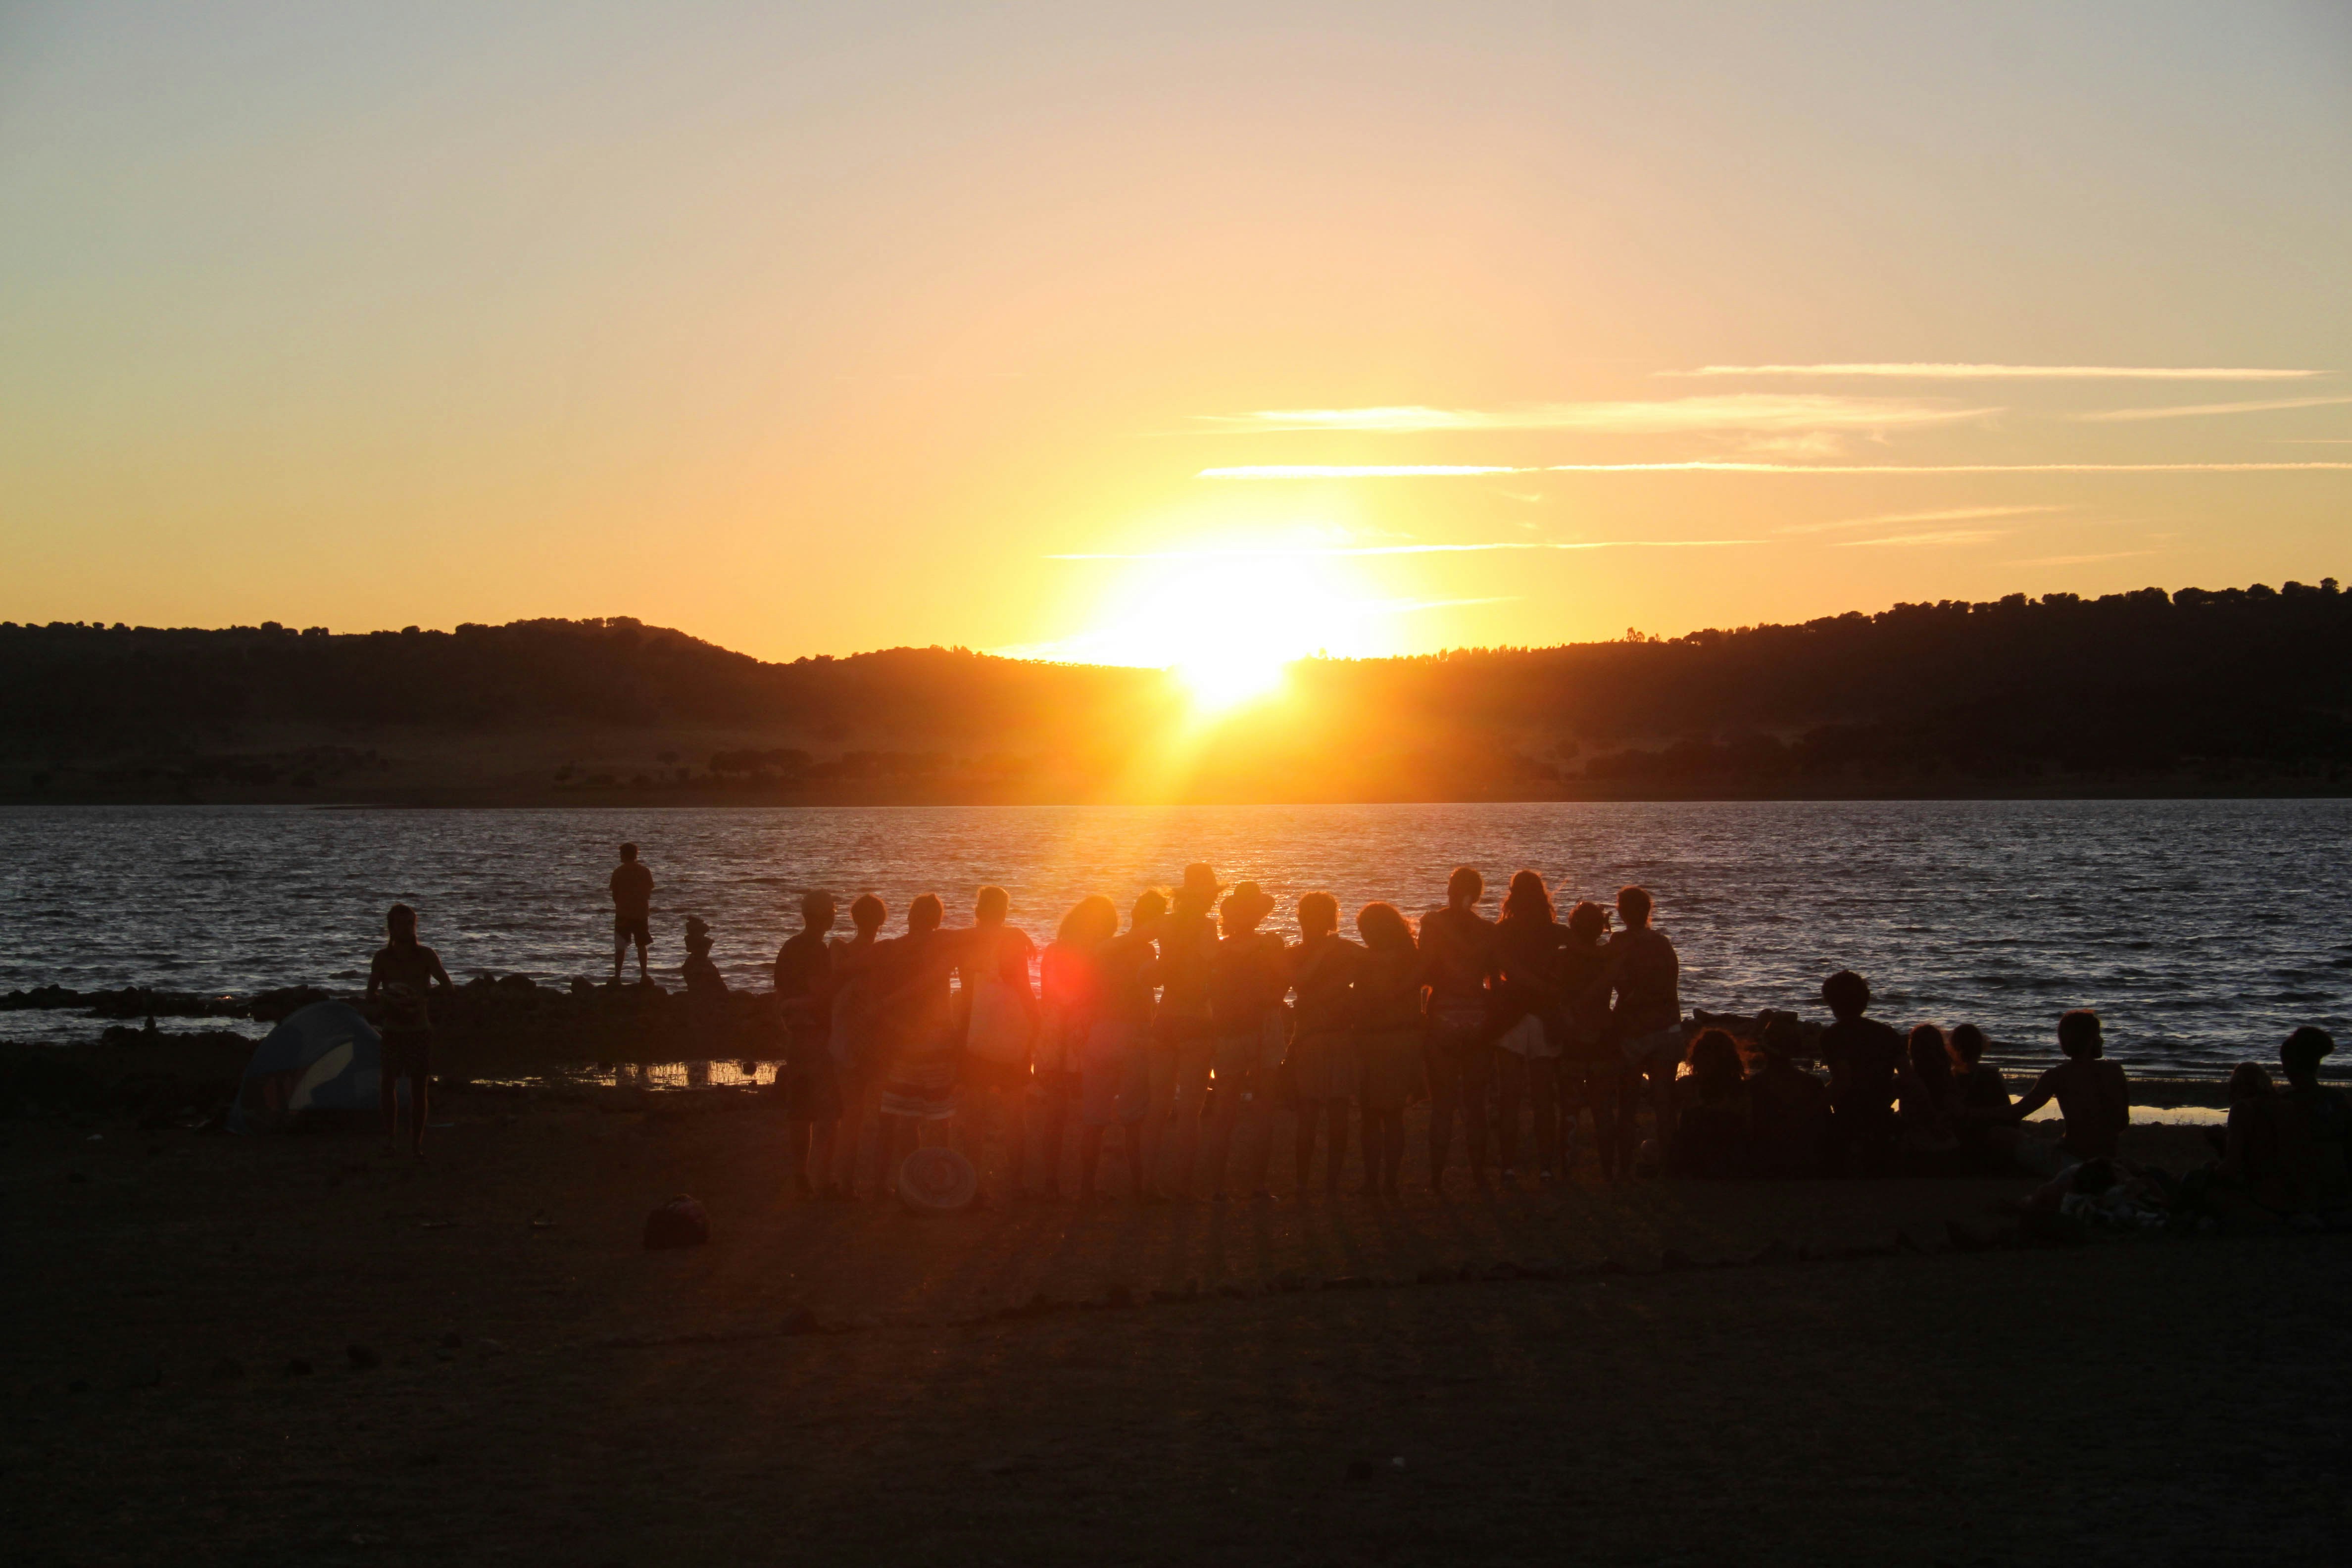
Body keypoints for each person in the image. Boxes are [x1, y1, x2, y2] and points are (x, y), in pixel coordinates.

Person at [1201, 882, 1288, 1201]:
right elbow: (1282, 985)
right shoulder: (1271, 944)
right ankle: (1256, 1184)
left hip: (1229, 1031)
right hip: (1262, 1028)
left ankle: (1219, 1185)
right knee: (1263, 1109)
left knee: (1226, 1109)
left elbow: (1211, 992)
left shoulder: (1219, 950)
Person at [953, 886, 1038, 1201]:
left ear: (978, 910)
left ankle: (972, 1185)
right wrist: (1037, 1025)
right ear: (1004, 911)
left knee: (973, 1115)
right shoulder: (1014, 940)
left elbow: (965, 991)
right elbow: (1024, 990)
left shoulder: (966, 941)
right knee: (1015, 1114)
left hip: (974, 1032)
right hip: (1010, 1032)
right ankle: (1015, 1184)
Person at [1078, 891, 1163, 1200]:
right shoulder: (1146, 952)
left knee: (1094, 1117)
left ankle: (1087, 1187)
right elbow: (1146, 995)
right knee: (1133, 1119)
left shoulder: (1107, 948)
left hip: (1101, 1030)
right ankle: (1140, 1186)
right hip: (1133, 1033)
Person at [874, 894, 960, 1193]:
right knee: (939, 1114)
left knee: (907, 1114)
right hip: (936, 1038)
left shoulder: (895, 948)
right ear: (937, 921)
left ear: (910, 916)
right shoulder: (943, 945)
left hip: (903, 1037)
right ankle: (937, 1176)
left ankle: (910, 1178)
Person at [1149, 864, 1224, 1200]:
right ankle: (1182, 1184)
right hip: (1196, 1018)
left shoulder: (1165, 924)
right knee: (1190, 1109)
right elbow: (1213, 967)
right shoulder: (1207, 928)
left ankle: (1147, 1180)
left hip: (1165, 1016)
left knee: (1159, 1104)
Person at [1419, 866, 1496, 1192]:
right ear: (1477, 895)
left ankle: (1436, 1179)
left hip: (1444, 1013)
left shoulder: (1433, 925)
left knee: (1443, 1103)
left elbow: (1423, 970)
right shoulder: (1487, 930)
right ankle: (1479, 1175)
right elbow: (1493, 978)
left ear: (1451, 889)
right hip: (1477, 1012)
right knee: (1476, 1103)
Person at [1033, 896, 1115, 1199]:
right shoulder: (1098, 954)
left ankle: (1052, 1182)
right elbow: (1101, 996)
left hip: (1054, 1038)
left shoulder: (1055, 952)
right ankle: (1086, 1185)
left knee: (1056, 1115)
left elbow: (1049, 992)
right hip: (1082, 1039)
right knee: (1090, 1115)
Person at [1489, 870, 1566, 1183]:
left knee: (1509, 1097)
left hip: (1512, 1016)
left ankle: (1508, 1166)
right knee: (1544, 1098)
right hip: (1545, 1015)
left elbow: (1495, 975)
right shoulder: (1555, 932)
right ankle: (1546, 1166)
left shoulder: (1503, 931)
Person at [1285, 892, 1359, 1199]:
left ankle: (1304, 1183)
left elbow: (1298, 986)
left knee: (1310, 1113)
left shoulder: (1294, 954)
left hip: (1312, 1037)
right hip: (1338, 1036)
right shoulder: (1347, 950)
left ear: (1301, 917)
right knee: (1335, 1111)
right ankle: (1330, 1182)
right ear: (1332, 920)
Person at [366, 902, 453, 1156]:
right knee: (387, 1085)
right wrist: (388, 999)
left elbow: (448, 986)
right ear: (391, 928)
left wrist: (423, 993)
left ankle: (416, 1145)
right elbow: (370, 995)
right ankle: (391, 1139)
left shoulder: (426, 955)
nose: (407, 928)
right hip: (393, 1029)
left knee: (419, 1087)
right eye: (401, 924)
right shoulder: (382, 958)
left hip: (419, 1029)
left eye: (410, 923)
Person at [1607, 885, 1682, 1176]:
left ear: (1622, 911)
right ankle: (1668, 1163)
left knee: (1628, 1103)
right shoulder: (1662, 943)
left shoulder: (1619, 941)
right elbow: (1671, 986)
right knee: (1664, 1103)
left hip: (1634, 1030)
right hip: (1666, 1027)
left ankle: (1624, 1165)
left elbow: (1620, 987)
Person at [1351, 901, 1424, 1198]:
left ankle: (1373, 1181)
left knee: (1372, 1115)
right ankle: (1389, 1181)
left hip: (1374, 1039)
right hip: (1401, 1040)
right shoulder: (1411, 957)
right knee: (1393, 1115)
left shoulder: (1366, 960)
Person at [822, 893, 890, 1199]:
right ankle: (876, 1184)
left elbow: (838, 978)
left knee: (853, 1113)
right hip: (873, 1041)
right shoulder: (881, 954)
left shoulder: (842, 949)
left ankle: (848, 1183)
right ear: (881, 921)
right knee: (878, 1115)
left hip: (849, 1040)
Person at [773, 891, 839, 1197]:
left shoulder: (789, 947)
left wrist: (789, 1014)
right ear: (827, 916)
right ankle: (821, 1178)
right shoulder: (817, 950)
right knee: (827, 1110)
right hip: (816, 1039)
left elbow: (780, 994)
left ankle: (801, 1174)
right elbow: (821, 995)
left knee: (800, 1111)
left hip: (795, 1038)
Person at [2003, 1009, 2130, 1167]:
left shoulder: (2057, 1075)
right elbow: (2123, 1123)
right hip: (2107, 1159)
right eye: (2099, 1035)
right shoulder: (2115, 1070)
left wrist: (1974, 1114)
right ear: (2090, 1040)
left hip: (2071, 1159)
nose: (2102, 1041)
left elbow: (2019, 1111)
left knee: (2003, 1135)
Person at [1816, 970, 1903, 1177]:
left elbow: (1843, 1081)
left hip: (1848, 1118)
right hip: (1881, 1115)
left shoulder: (1833, 1036)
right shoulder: (1887, 1033)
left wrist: (1813, 1107)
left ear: (1831, 1002)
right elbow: (1907, 1077)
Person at [1555, 900, 1619, 1177]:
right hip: (1601, 1036)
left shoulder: (1561, 959)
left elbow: (1555, 996)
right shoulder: (1607, 959)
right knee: (1602, 1107)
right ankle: (1608, 1168)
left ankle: (1567, 1166)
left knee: (1570, 1107)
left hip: (1571, 1036)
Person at [1744, 1014, 1831, 1177]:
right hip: (1804, 1162)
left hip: (1762, 1164)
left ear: (1764, 1050)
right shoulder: (1813, 1084)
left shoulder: (1751, 1086)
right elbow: (1823, 1125)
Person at [2277, 1026, 2352, 1210]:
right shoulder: (2338, 1100)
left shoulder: (2284, 1104)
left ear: (2288, 1065)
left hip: (2302, 1188)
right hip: (2339, 1182)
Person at [1668, 1027, 1749, 1177]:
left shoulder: (1687, 1085)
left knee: (1649, 1146)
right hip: (1732, 1162)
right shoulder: (1741, 1089)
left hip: (1693, 1162)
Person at [1946, 1023, 2016, 1170]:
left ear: (1953, 1047)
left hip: (1958, 1139)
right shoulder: (1991, 1076)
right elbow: (2007, 1113)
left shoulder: (1949, 1077)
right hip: (1987, 1139)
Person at [1894, 1023, 1963, 1173]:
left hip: (1918, 1147)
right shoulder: (1948, 1078)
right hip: (1949, 1146)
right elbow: (1956, 1111)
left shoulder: (1907, 1081)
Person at [610, 843, 654, 985]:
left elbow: (615, 894)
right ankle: (644, 975)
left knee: (620, 946)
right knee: (642, 945)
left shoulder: (618, 872)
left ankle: (617, 977)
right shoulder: (644, 871)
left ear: (623, 855)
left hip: (623, 913)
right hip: (641, 913)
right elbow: (649, 892)